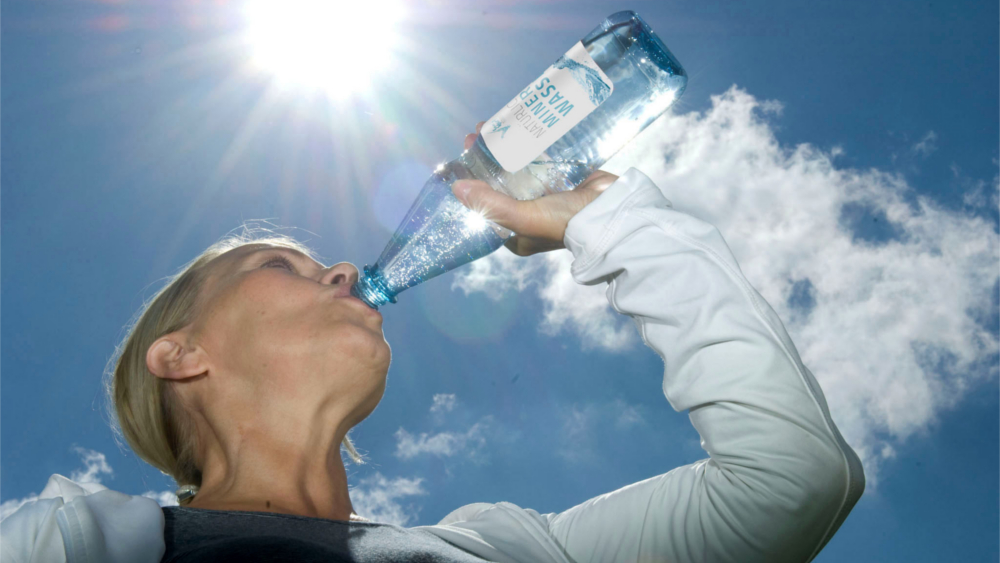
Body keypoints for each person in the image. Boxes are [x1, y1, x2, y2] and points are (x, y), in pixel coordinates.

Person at [0, 124, 864, 563]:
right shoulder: (71, 542)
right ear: (181, 354)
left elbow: (791, 480)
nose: (342, 267)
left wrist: (616, 228)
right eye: (279, 264)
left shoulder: (505, 547)